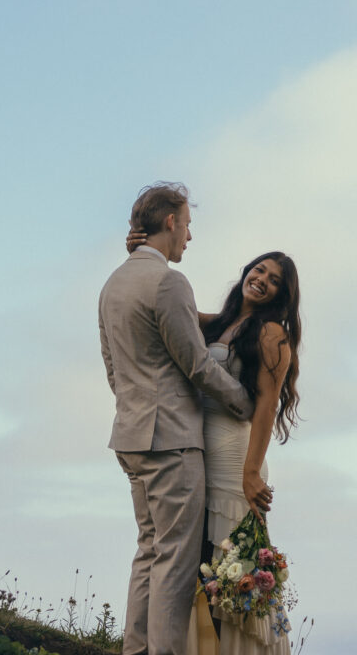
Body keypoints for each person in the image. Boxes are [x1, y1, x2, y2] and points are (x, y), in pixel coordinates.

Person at [98, 182, 259, 655]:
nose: (189, 236)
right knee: (175, 561)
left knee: (149, 551)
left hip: (130, 435)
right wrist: (245, 403)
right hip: (170, 440)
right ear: (170, 222)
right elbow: (197, 364)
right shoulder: (168, 282)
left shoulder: (111, 284)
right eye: (187, 225)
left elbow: (112, 367)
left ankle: (136, 649)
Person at [126, 231, 301, 655]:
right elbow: (173, 310)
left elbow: (265, 405)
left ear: (282, 295)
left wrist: (251, 471)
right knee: (194, 560)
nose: (261, 279)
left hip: (232, 455)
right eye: (259, 269)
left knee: (229, 566)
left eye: (274, 279)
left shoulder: (272, 333)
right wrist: (142, 254)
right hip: (195, 446)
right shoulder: (221, 323)